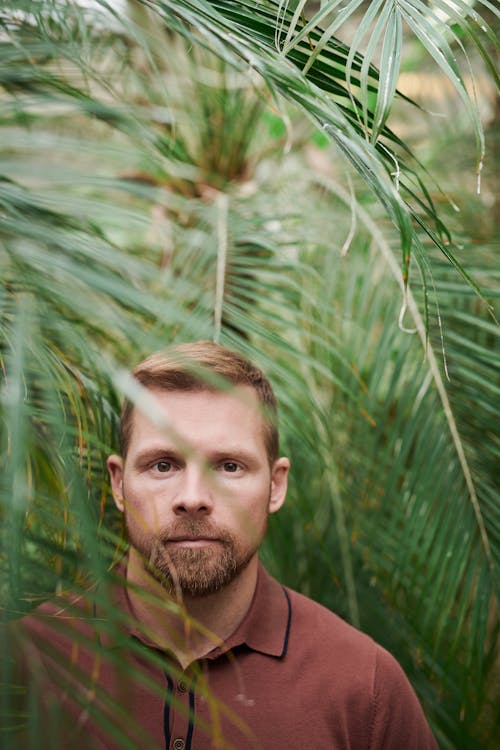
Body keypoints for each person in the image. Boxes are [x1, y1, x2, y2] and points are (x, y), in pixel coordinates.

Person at [7, 341, 438, 749]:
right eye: (163, 465)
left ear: (276, 485)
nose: (192, 497)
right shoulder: (25, 662)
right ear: (119, 484)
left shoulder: (364, 687)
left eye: (229, 466)